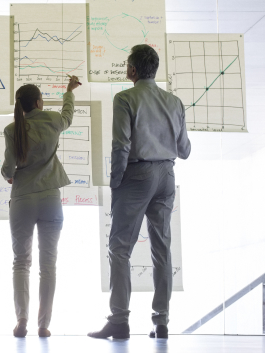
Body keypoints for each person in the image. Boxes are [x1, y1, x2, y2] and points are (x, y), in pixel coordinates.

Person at [88, 44, 191, 340]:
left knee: (120, 248)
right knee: (162, 248)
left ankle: (119, 320)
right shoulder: (175, 102)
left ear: (132, 70)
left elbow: (120, 145)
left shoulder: (125, 98)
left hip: (136, 175)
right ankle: (161, 322)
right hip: (167, 175)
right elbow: (184, 150)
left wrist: (115, 181)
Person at [1, 76, 81, 338]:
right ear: (38, 102)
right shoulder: (52, 121)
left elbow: (8, 169)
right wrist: (68, 92)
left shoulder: (12, 130)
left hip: (22, 199)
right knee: (49, 265)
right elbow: (68, 116)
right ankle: (43, 325)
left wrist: (10, 174)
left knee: (20, 262)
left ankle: (21, 320)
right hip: (50, 200)